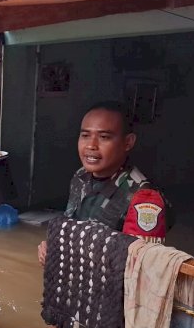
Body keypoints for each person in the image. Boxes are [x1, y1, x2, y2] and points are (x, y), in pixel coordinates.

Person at [38, 101, 173, 265]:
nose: (91, 145)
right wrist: (54, 247)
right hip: (77, 281)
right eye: (85, 135)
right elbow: (71, 226)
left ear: (128, 142)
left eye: (104, 137)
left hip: (109, 288)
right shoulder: (81, 176)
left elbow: (141, 267)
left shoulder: (144, 198)